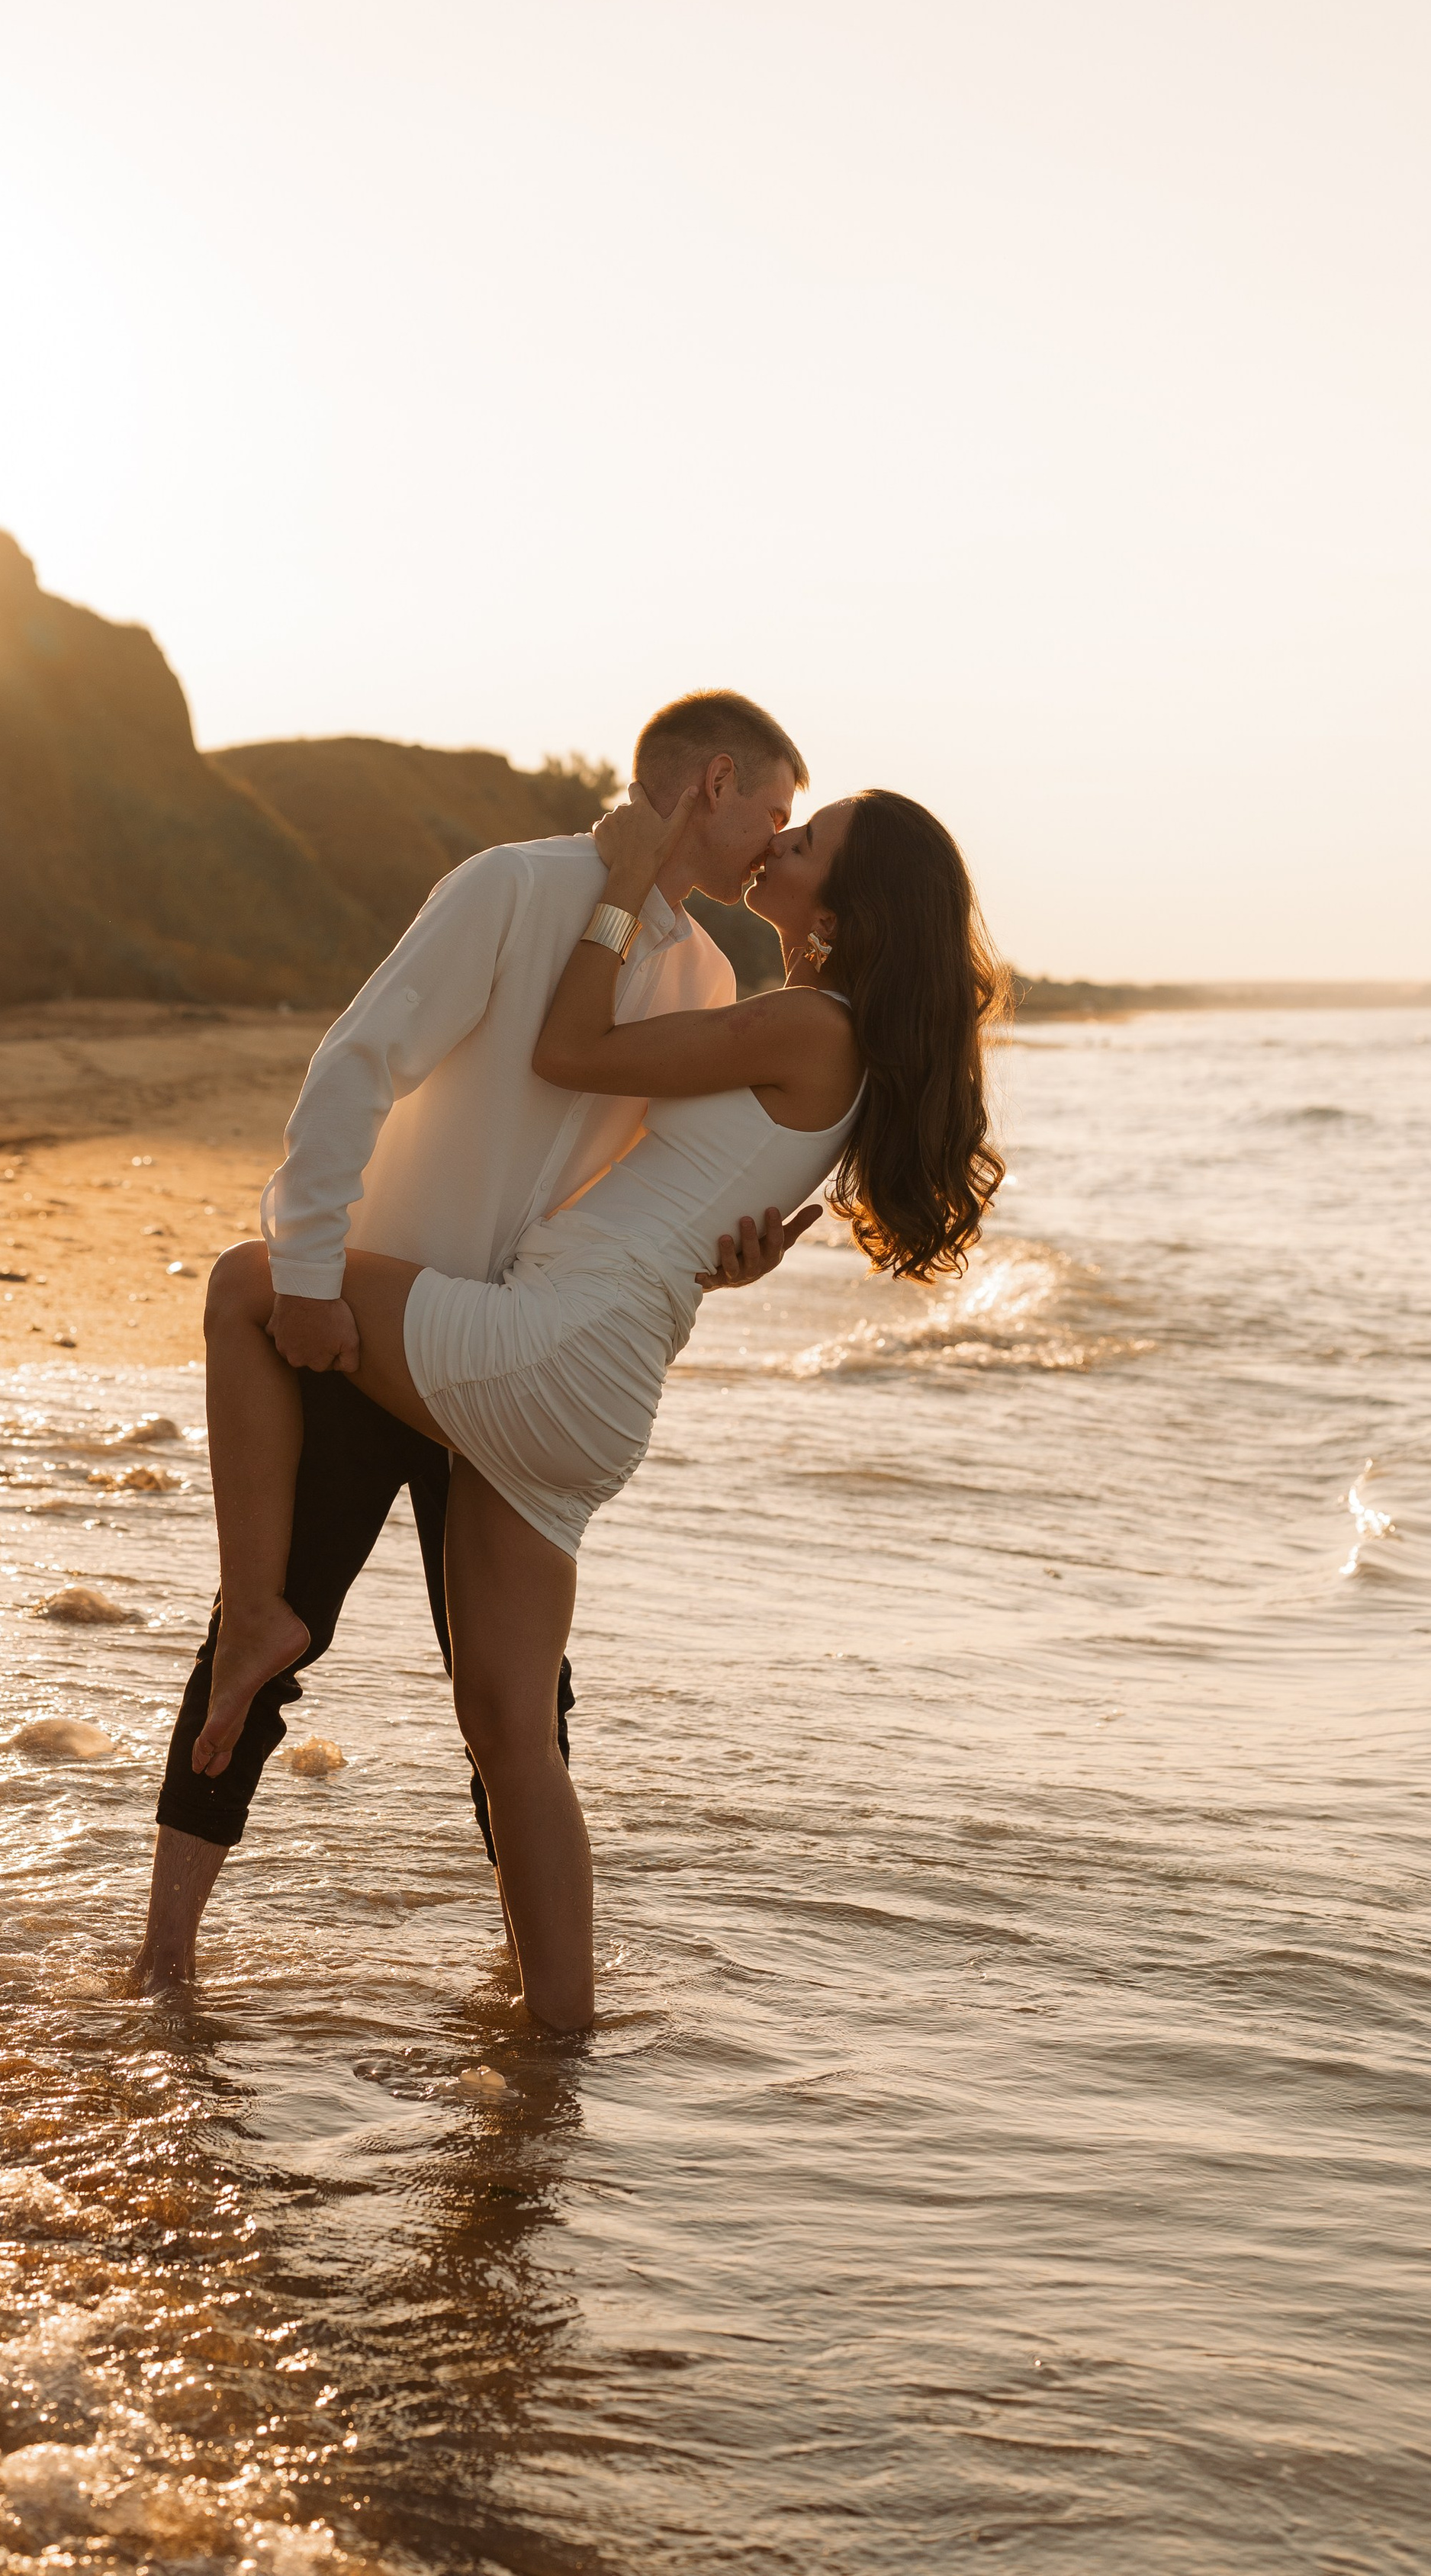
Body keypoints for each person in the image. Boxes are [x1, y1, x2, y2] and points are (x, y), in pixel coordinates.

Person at [190, 781, 1006, 2028]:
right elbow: (699, 1183)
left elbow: (566, 1052)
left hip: (550, 1343)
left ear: (849, 907)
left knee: (253, 1286)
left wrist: (621, 878)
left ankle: (259, 1617)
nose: (778, 848)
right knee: (512, 1733)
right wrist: (733, 1257)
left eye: (806, 842)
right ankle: (555, 2055)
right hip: (603, 1389)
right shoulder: (833, 1039)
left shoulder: (806, 1021)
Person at [129, 689, 812, 1993]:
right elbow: (359, 1061)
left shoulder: (713, 977)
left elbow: (661, 1192)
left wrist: (734, 1256)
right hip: (367, 1325)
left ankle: (527, 2002)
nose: (775, 847)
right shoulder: (514, 887)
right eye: (774, 814)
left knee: (518, 1710)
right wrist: (316, 1275)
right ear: (714, 783)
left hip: (512, 1351)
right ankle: (164, 1961)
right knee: (260, 1639)